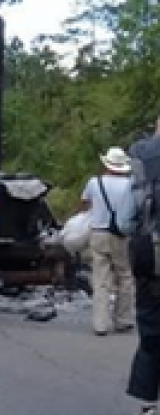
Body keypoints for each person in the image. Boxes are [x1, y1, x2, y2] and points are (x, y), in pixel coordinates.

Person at [79, 146, 136, 336]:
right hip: (122, 235)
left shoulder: (95, 183)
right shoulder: (130, 184)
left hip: (98, 233)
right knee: (125, 276)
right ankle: (123, 319)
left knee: (101, 279)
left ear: (107, 164)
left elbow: (85, 204)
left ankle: (100, 323)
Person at [128, 116, 160, 415]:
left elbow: (129, 214)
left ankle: (149, 400)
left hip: (150, 253)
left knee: (151, 326)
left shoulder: (139, 154)